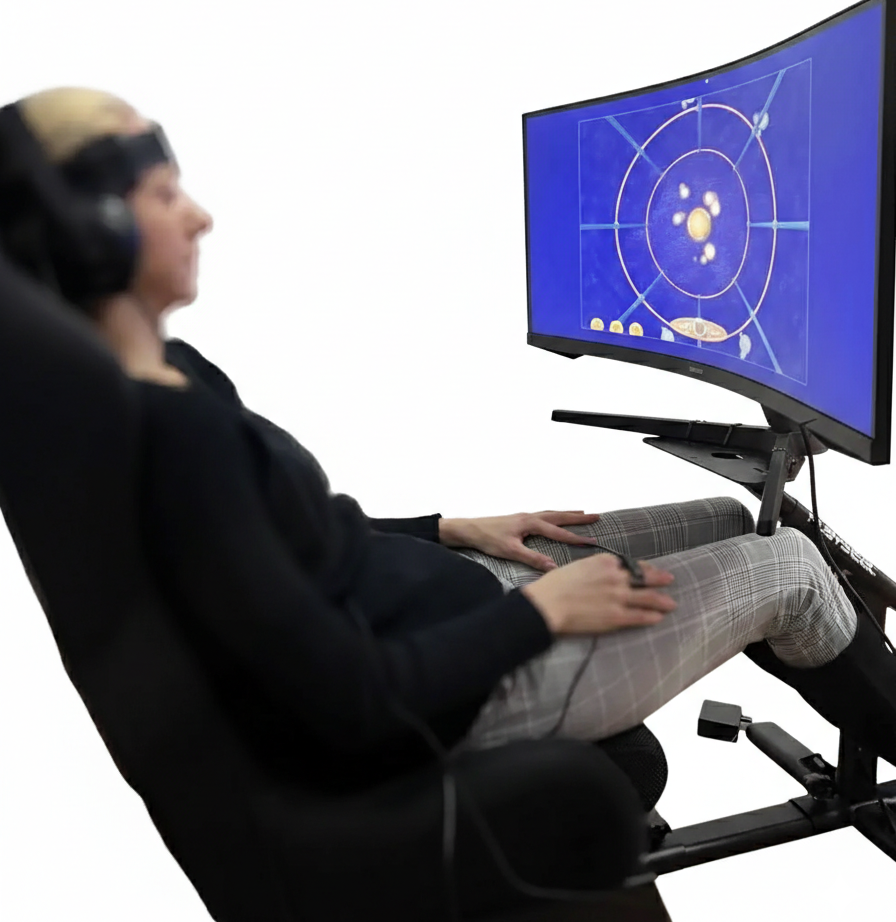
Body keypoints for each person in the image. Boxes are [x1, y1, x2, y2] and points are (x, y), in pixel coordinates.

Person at [14, 85, 896, 796]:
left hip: (446, 600)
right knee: (789, 570)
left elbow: (289, 540)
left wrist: (447, 530)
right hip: (460, 692)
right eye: (165, 196)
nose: (201, 217)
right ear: (93, 232)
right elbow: (349, 695)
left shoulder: (167, 373)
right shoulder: (169, 443)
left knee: (732, 516)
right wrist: (540, 615)